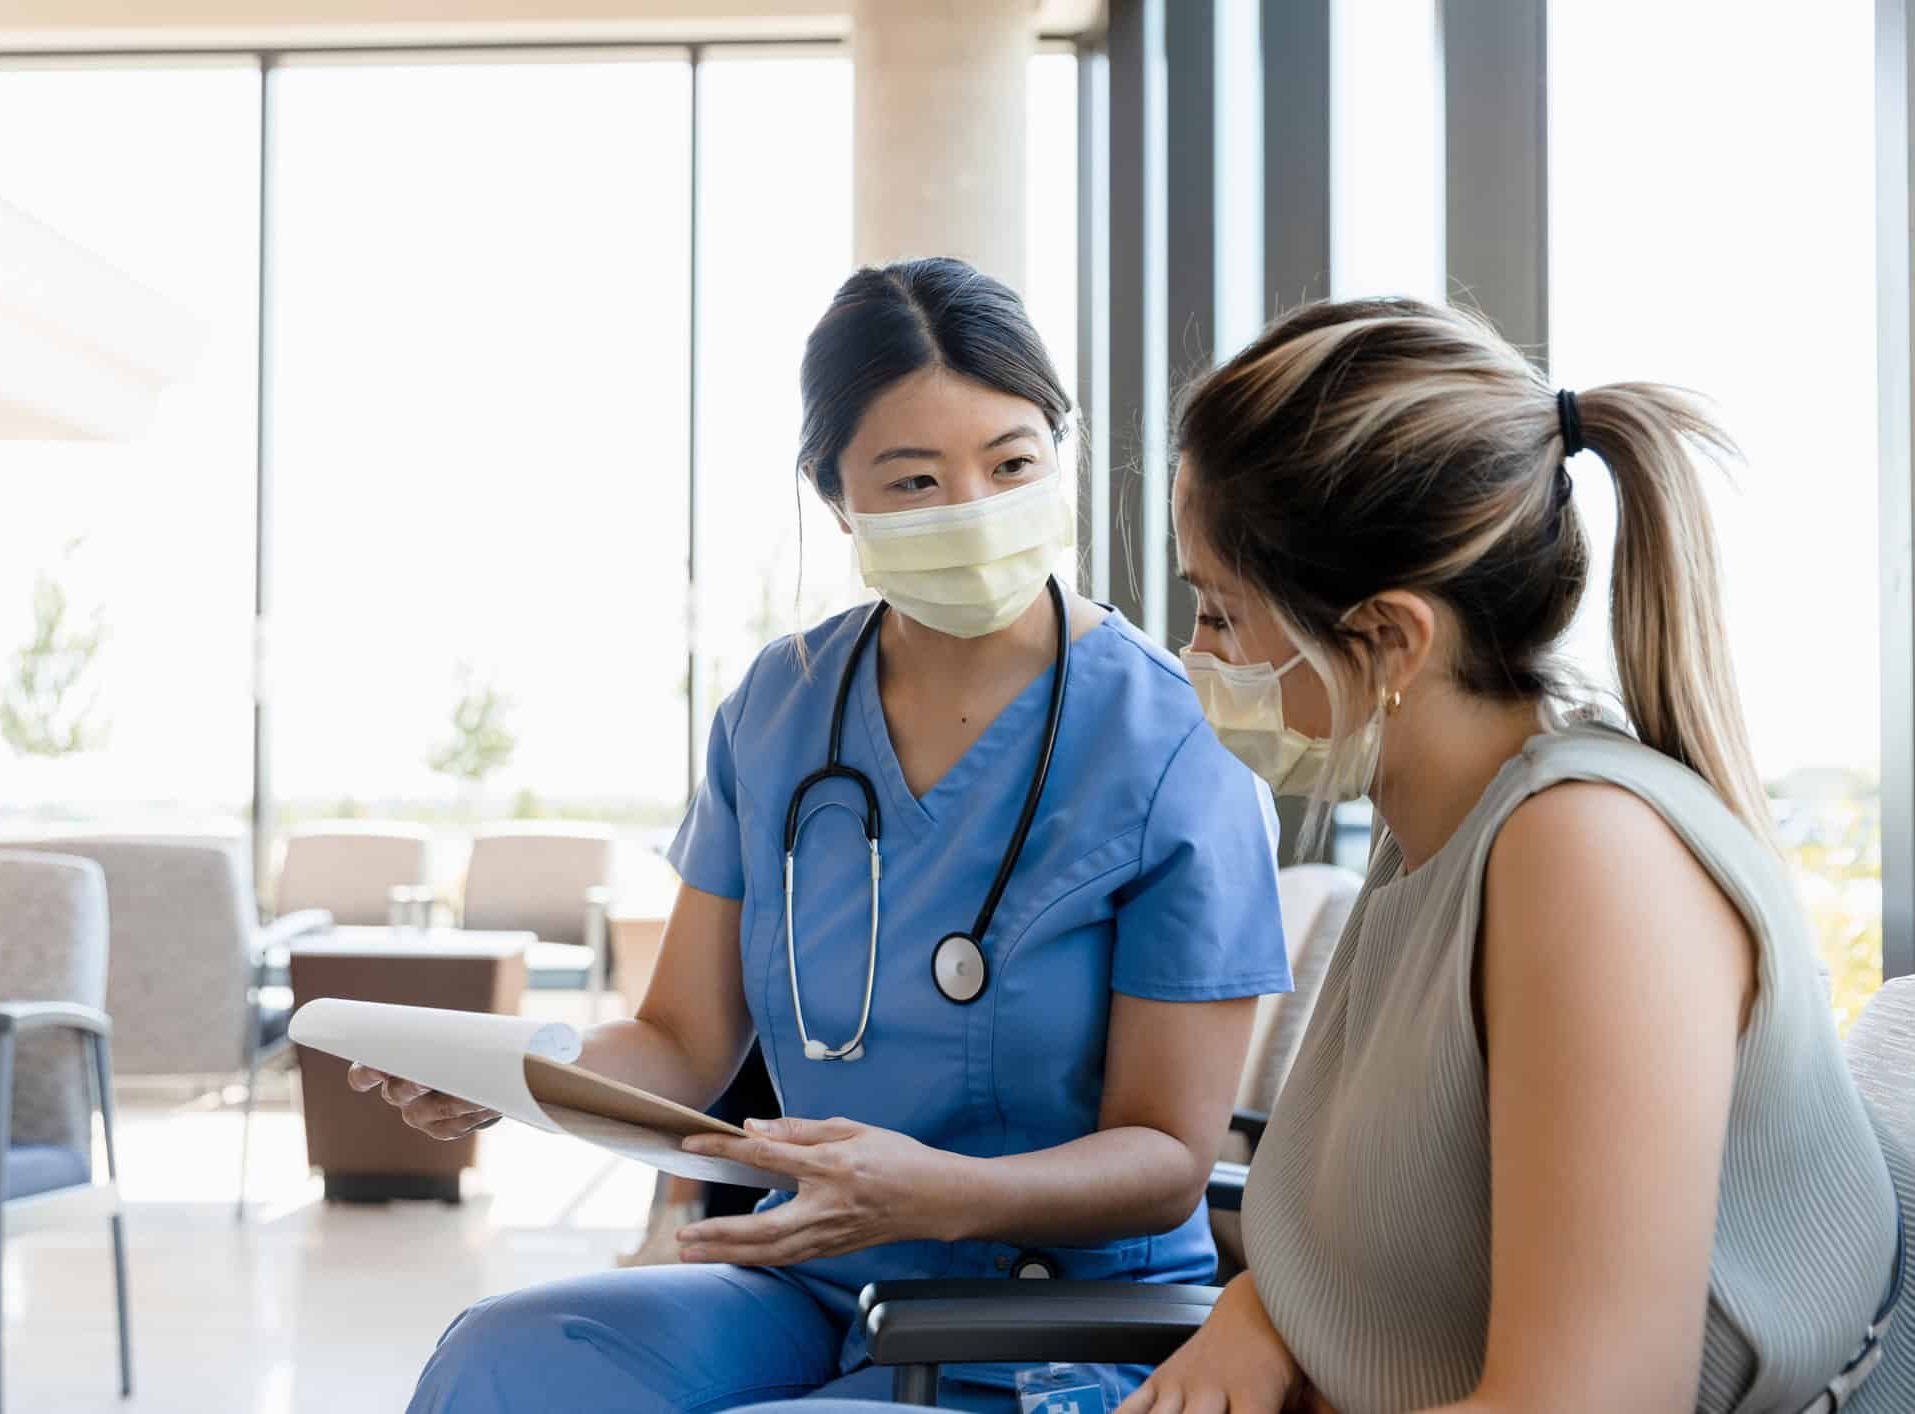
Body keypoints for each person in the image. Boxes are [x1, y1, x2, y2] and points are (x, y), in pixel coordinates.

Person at [350, 257, 1291, 1412]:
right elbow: (682, 1043)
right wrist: (516, 1071)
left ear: (1061, 453)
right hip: (818, 1284)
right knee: (506, 1359)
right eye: (913, 481)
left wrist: (937, 1192)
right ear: (835, 496)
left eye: (1010, 464)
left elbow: (1166, 1159)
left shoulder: (1172, 737)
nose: (972, 511)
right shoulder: (780, 706)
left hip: (1046, 1313)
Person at [1132, 298, 1911, 1414]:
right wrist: (1263, 1316)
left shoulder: (1587, 859)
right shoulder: (1443, 830)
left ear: (1392, 639)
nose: (1195, 656)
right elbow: (1410, 1219)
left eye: (1220, 613)